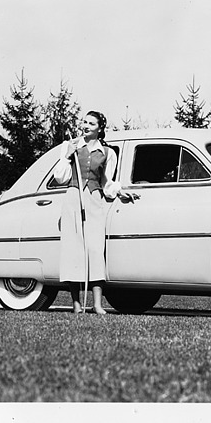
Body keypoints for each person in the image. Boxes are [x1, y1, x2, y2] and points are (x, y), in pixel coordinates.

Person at [53, 111, 136, 314]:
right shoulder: (70, 146)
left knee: (95, 250)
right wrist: (66, 155)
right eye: (84, 121)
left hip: (94, 201)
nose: (86, 125)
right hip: (73, 199)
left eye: (91, 123)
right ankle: (76, 304)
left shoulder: (108, 153)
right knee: (74, 250)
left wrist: (119, 192)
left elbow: (107, 183)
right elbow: (60, 178)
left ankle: (97, 304)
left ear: (100, 127)